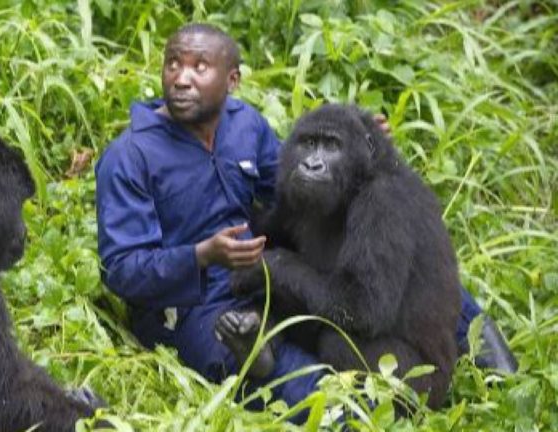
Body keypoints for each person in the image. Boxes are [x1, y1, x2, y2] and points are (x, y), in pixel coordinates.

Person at [95, 23, 516, 419]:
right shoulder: (129, 157)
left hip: (255, 264)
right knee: (313, 394)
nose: (181, 78)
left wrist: (358, 146)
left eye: (199, 67)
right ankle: (266, 364)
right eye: (173, 64)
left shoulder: (245, 126)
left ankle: (481, 340)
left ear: (232, 81)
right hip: (193, 300)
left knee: (398, 254)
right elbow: (121, 271)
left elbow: (298, 184)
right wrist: (201, 256)